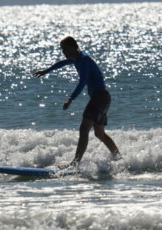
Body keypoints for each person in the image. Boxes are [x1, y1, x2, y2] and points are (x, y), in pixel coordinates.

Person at [34, 36, 121, 166]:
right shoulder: (78, 58)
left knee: (84, 129)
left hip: (99, 97)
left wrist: (70, 99)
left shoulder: (84, 60)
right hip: (103, 97)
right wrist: (47, 70)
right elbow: (62, 63)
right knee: (99, 133)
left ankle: (75, 163)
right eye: (62, 49)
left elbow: (82, 82)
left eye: (64, 49)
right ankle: (119, 159)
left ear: (72, 47)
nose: (63, 52)